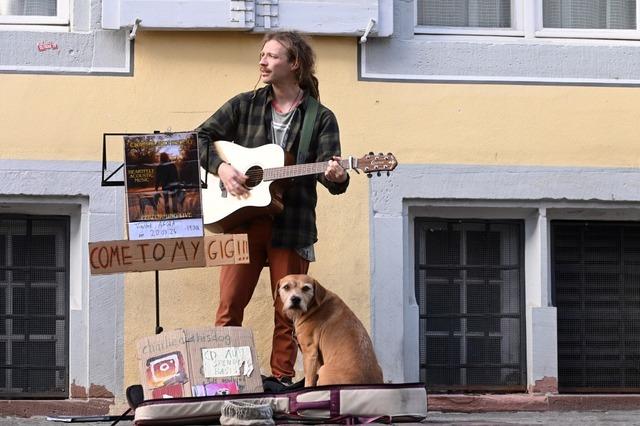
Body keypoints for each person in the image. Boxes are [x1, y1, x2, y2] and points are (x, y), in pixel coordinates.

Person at [196, 31, 349, 386]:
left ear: (294, 64)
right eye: (262, 55)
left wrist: (337, 175)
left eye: (272, 56)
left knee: (289, 313)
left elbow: (333, 179)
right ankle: (225, 379)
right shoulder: (244, 105)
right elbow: (198, 138)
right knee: (230, 306)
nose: (262, 61)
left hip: (291, 224)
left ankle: (282, 381)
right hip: (241, 221)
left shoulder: (320, 117)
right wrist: (222, 168)